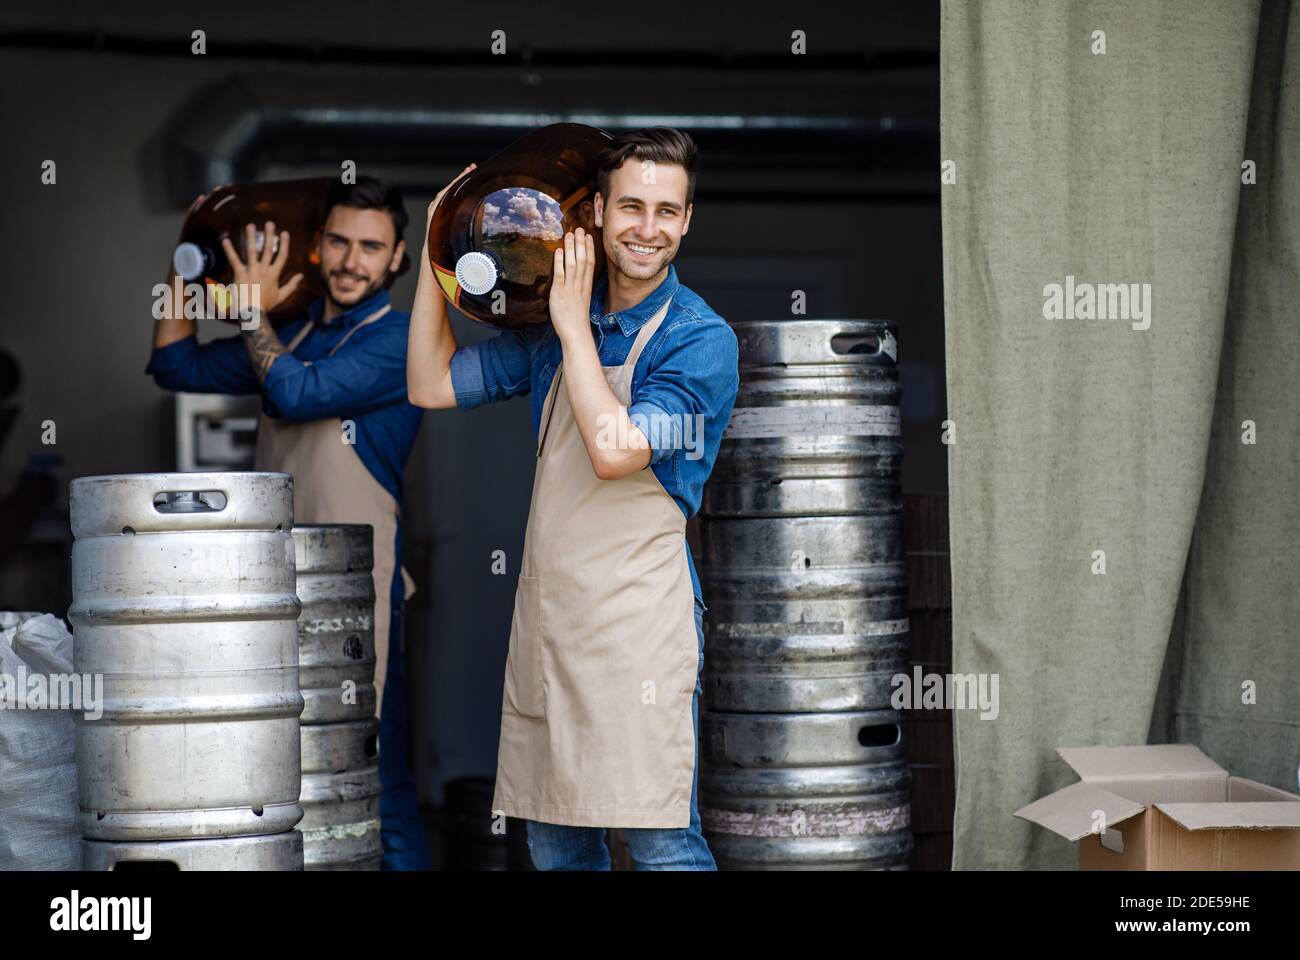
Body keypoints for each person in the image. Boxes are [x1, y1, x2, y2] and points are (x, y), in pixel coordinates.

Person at [408, 129, 738, 870]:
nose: (646, 229)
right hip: (553, 624)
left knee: (661, 841)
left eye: (665, 210)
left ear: (687, 220)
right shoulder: (556, 324)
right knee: (558, 842)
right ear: (593, 211)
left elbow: (616, 450)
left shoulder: (699, 341)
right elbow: (428, 384)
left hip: (639, 629)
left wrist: (570, 328)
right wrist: (436, 256)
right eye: (629, 207)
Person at [146, 176, 431, 870]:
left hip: (360, 598)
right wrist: (187, 257)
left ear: (397, 260)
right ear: (317, 245)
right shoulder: (296, 329)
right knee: (294, 776)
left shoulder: (399, 341)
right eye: (338, 240)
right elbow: (173, 363)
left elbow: (298, 394)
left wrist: (248, 313)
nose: (351, 260)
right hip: (277, 587)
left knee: (376, 779)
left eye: (371, 247)